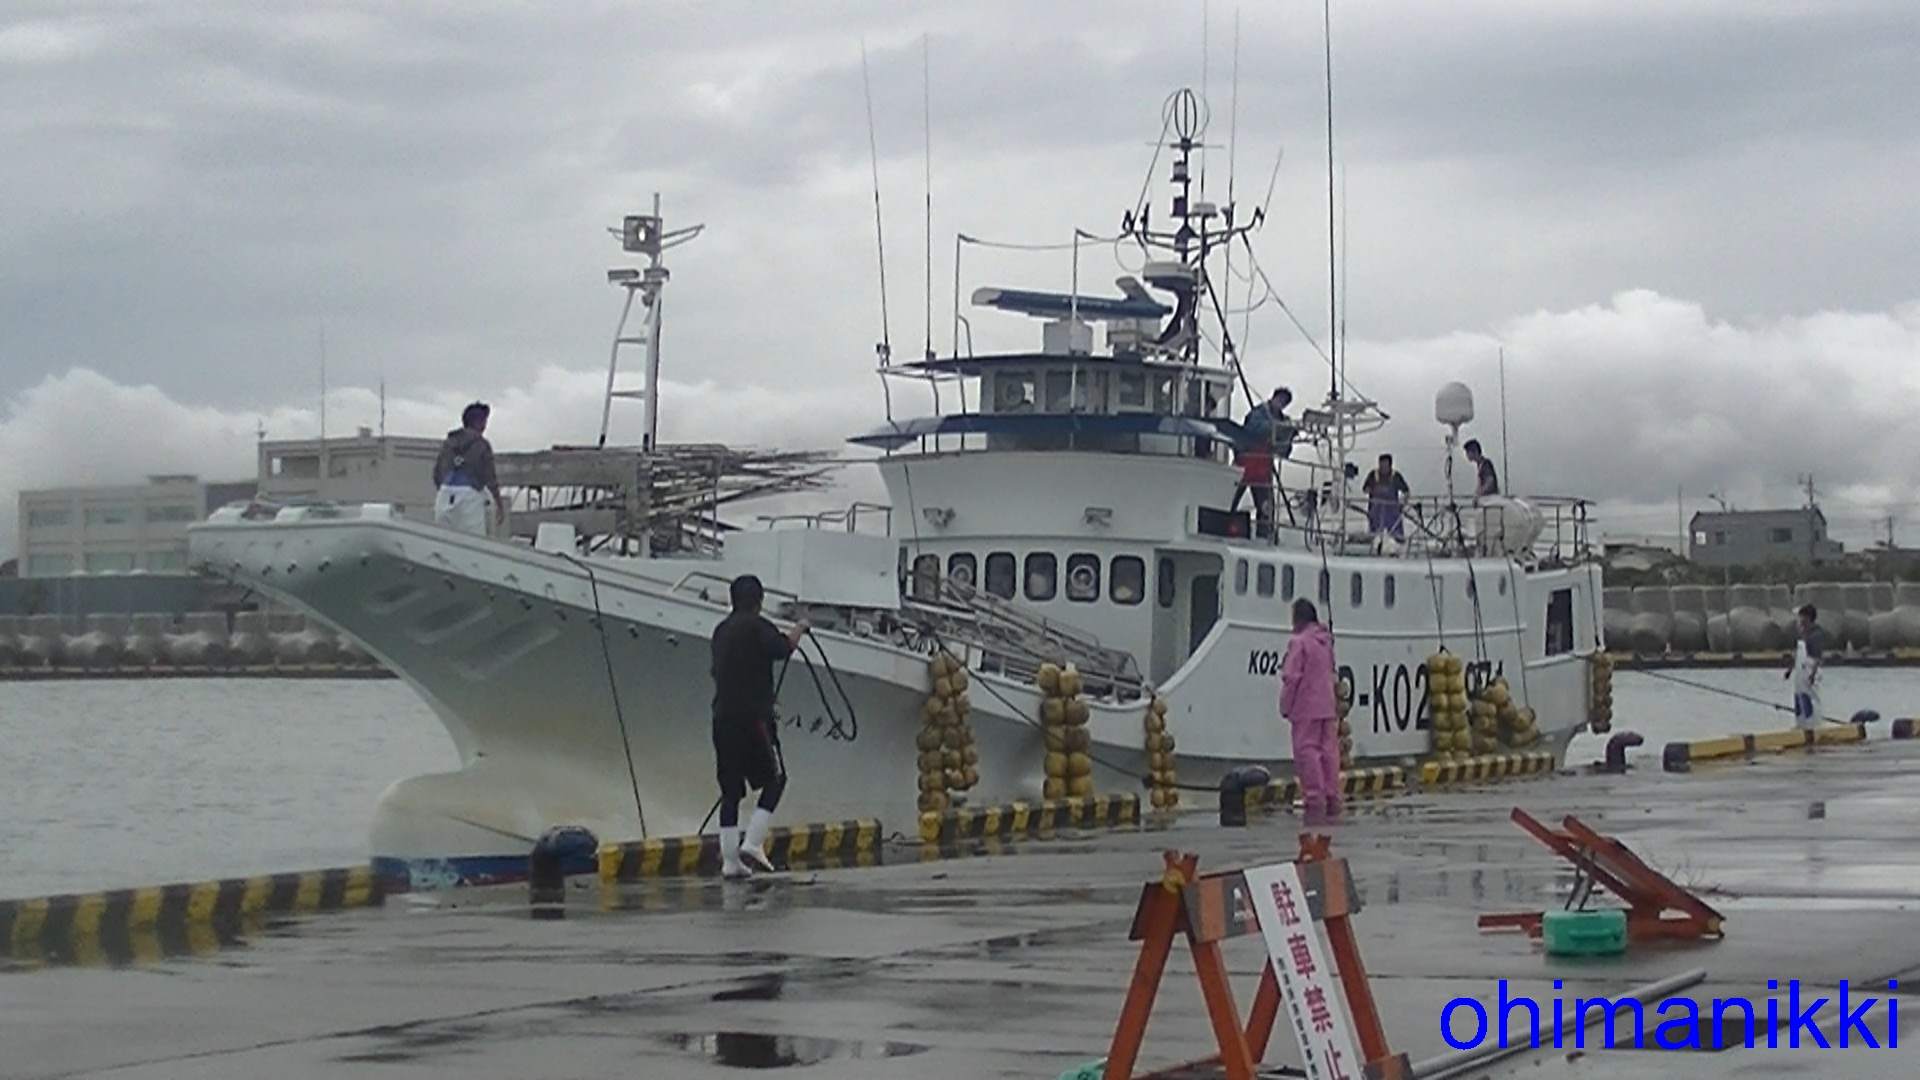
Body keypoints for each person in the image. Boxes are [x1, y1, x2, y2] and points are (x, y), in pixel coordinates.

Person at [711, 574, 809, 878]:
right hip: (754, 718)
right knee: (776, 779)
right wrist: (800, 627)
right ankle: (753, 843)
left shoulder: (720, 631)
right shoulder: (758, 626)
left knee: (730, 791)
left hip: (722, 718)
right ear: (759, 600)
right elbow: (784, 648)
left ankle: (730, 862)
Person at [1280, 598, 1341, 825]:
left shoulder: (1299, 643)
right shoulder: (1325, 643)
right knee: (1328, 753)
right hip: (1327, 706)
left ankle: (1314, 798)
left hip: (1305, 706)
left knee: (1307, 752)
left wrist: (1285, 705)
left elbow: (1292, 677)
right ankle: (1332, 795)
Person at [432, 402, 505, 535]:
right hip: (470, 498)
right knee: (473, 541)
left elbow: (437, 474)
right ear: (478, 422)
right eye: (484, 421)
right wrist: (499, 505)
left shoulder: (448, 443)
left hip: (444, 495)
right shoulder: (482, 444)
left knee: (444, 539)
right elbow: (490, 478)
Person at [1232, 388, 1295, 537]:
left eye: (1284, 403)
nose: (1281, 404)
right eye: (1280, 399)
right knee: (1229, 501)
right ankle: (1220, 526)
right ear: (1273, 397)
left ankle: (1264, 535)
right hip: (1244, 465)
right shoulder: (1257, 413)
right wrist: (1278, 428)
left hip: (1263, 470)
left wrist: (1289, 435)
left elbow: (1283, 451)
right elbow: (1253, 430)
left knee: (1266, 509)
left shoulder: (1284, 421)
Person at [1784, 603, 1828, 733]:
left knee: (1809, 698)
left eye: (1802, 617)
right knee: (1799, 697)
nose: (1800, 619)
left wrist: (1813, 674)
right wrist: (1790, 670)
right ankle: (1800, 724)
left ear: (1808, 617)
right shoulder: (1803, 633)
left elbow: (1818, 657)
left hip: (1810, 668)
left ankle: (1813, 725)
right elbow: (1797, 653)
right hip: (1800, 670)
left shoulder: (1816, 634)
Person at [1362, 453, 1410, 539]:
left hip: (1392, 513)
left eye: (1385, 465)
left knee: (1397, 537)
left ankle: (1398, 542)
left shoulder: (1395, 476)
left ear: (1390, 465)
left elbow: (1406, 492)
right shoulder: (1373, 475)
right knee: (1374, 536)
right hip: (1376, 512)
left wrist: (1403, 504)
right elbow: (1365, 489)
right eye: (1381, 464)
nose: (1383, 467)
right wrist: (1370, 489)